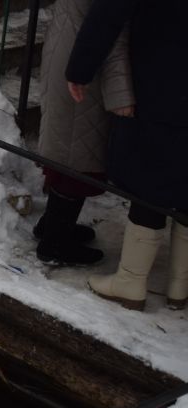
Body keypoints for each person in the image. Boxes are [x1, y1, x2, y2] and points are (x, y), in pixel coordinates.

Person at [66, 0, 188, 310]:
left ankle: (131, 282)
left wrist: (81, 66)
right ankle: (180, 284)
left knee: (151, 176)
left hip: (162, 76)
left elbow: (110, 10)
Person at [35, 0, 134, 266]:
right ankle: (54, 244)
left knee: (66, 148)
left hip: (68, 49)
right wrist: (121, 96)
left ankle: (52, 226)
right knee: (78, 159)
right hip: (87, 68)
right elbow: (112, 34)